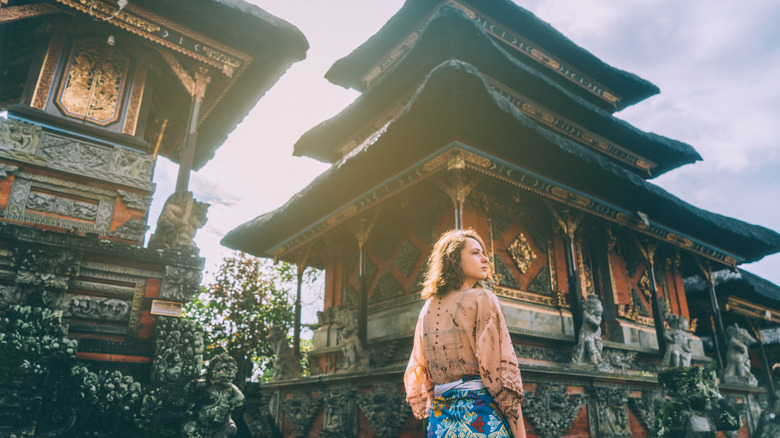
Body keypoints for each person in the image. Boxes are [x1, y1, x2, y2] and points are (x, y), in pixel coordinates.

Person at [404, 229, 526, 437]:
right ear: (454, 258)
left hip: (441, 423)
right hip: (479, 417)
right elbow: (501, 377)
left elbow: (423, 375)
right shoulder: (482, 298)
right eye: (475, 253)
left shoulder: (427, 309)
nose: (485, 259)